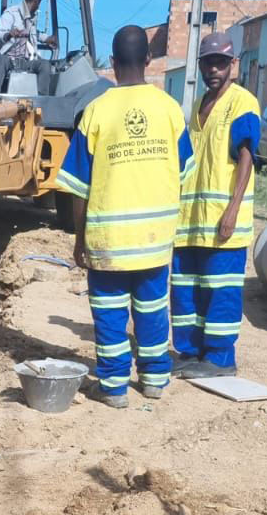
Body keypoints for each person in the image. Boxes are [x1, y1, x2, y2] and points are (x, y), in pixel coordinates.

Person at [56, 25, 194, 407]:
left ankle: (115, 387)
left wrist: (79, 238)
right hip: (153, 238)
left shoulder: (96, 111)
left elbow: (78, 187)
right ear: (149, 60)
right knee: (151, 311)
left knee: (110, 314)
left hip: (108, 241)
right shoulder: (169, 109)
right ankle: (153, 380)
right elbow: (184, 172)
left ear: (112, 64)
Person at [172, 31, 260, 379]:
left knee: (220, 290)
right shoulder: (197, 106)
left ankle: (221, 358)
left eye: (221, 63)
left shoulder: (242, 103)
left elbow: (246, 156)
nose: (214, 70)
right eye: (208, 63)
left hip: (223, 221)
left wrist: (232, 210)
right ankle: (192, 352)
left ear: (233, 65)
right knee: (188, 291)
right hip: (191, 222)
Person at [0, 0, 57, 93]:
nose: (38, 6)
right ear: (36, 0)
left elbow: (34, 34)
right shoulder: (11, 13)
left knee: (45, 65)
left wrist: (47, 39)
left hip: (26, 61)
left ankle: (42, 98)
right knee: (2, 60)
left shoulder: (31, 19)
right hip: (9, 59)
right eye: (39, 3)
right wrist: (8, 34)